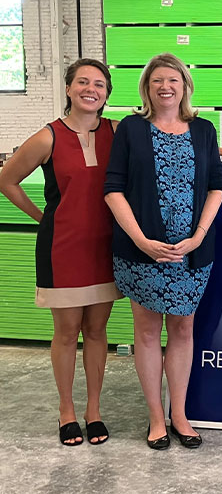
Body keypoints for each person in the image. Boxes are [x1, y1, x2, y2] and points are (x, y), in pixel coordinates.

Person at [104, 53, 222, 450]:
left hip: (191, 255)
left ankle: (180, 415)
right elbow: (113, 188)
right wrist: (140, 240)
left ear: (185, 86)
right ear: (146, 87)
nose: (165, 86)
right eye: (156, 80)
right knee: (148, 331)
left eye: (172, 79)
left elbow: (215, 188)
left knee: (184, 328)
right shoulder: (131, 130)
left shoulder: (204, 130)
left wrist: (199, 236)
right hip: (142, 253)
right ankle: (156, 418)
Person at [0, 59, 122, 446]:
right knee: (67, 333)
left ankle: (94, 411)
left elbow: (171, 137)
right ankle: (67, 410)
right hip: (62, 250)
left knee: (97, 331)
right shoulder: (47, 137)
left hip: (105, 248)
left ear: (107, 93)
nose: (91, 88)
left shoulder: (118, 131)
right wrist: (43, 217)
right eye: (83, 82)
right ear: (69, 88)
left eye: (99, 84)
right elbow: (6, 180)